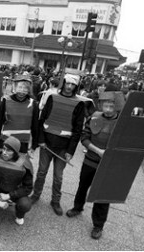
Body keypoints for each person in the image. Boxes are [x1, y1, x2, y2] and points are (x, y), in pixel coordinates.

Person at [65, 88, 125, 239]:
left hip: (107, 166)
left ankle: (98, 225)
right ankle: (77, 208)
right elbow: (85, 137)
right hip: (90, 161)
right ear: (101, 105)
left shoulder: (122, 123)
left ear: (117, 106)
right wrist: (98, 151)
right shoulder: (94, 117)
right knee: (83, 186)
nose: (108, 109)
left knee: (102, 195)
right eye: (105, 106)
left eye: (111, 106)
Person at [30, 73, 86, 216]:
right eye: (67, 83)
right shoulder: (52, 97)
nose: (69, 87)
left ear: (76, 86)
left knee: (58, 176)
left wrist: (70, 151)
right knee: (41, 172)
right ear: (63, 83)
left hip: (63, 147)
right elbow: (41, 120)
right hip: (46, 144)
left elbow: (78, 129)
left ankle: (55, 200)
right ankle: (36, 195)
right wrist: (40, 140)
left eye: (73, 85)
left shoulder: (79, 104)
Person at [0, 74, 39, 154]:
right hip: (6, 141)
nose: (22, 90)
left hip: (23, 143)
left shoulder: (33, 104)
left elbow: (35, 126)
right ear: (14, 87)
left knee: (19, 165)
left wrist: (34, 146)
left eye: (25, 88)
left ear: (29, 90)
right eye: (20, 87)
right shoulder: (6, 101)